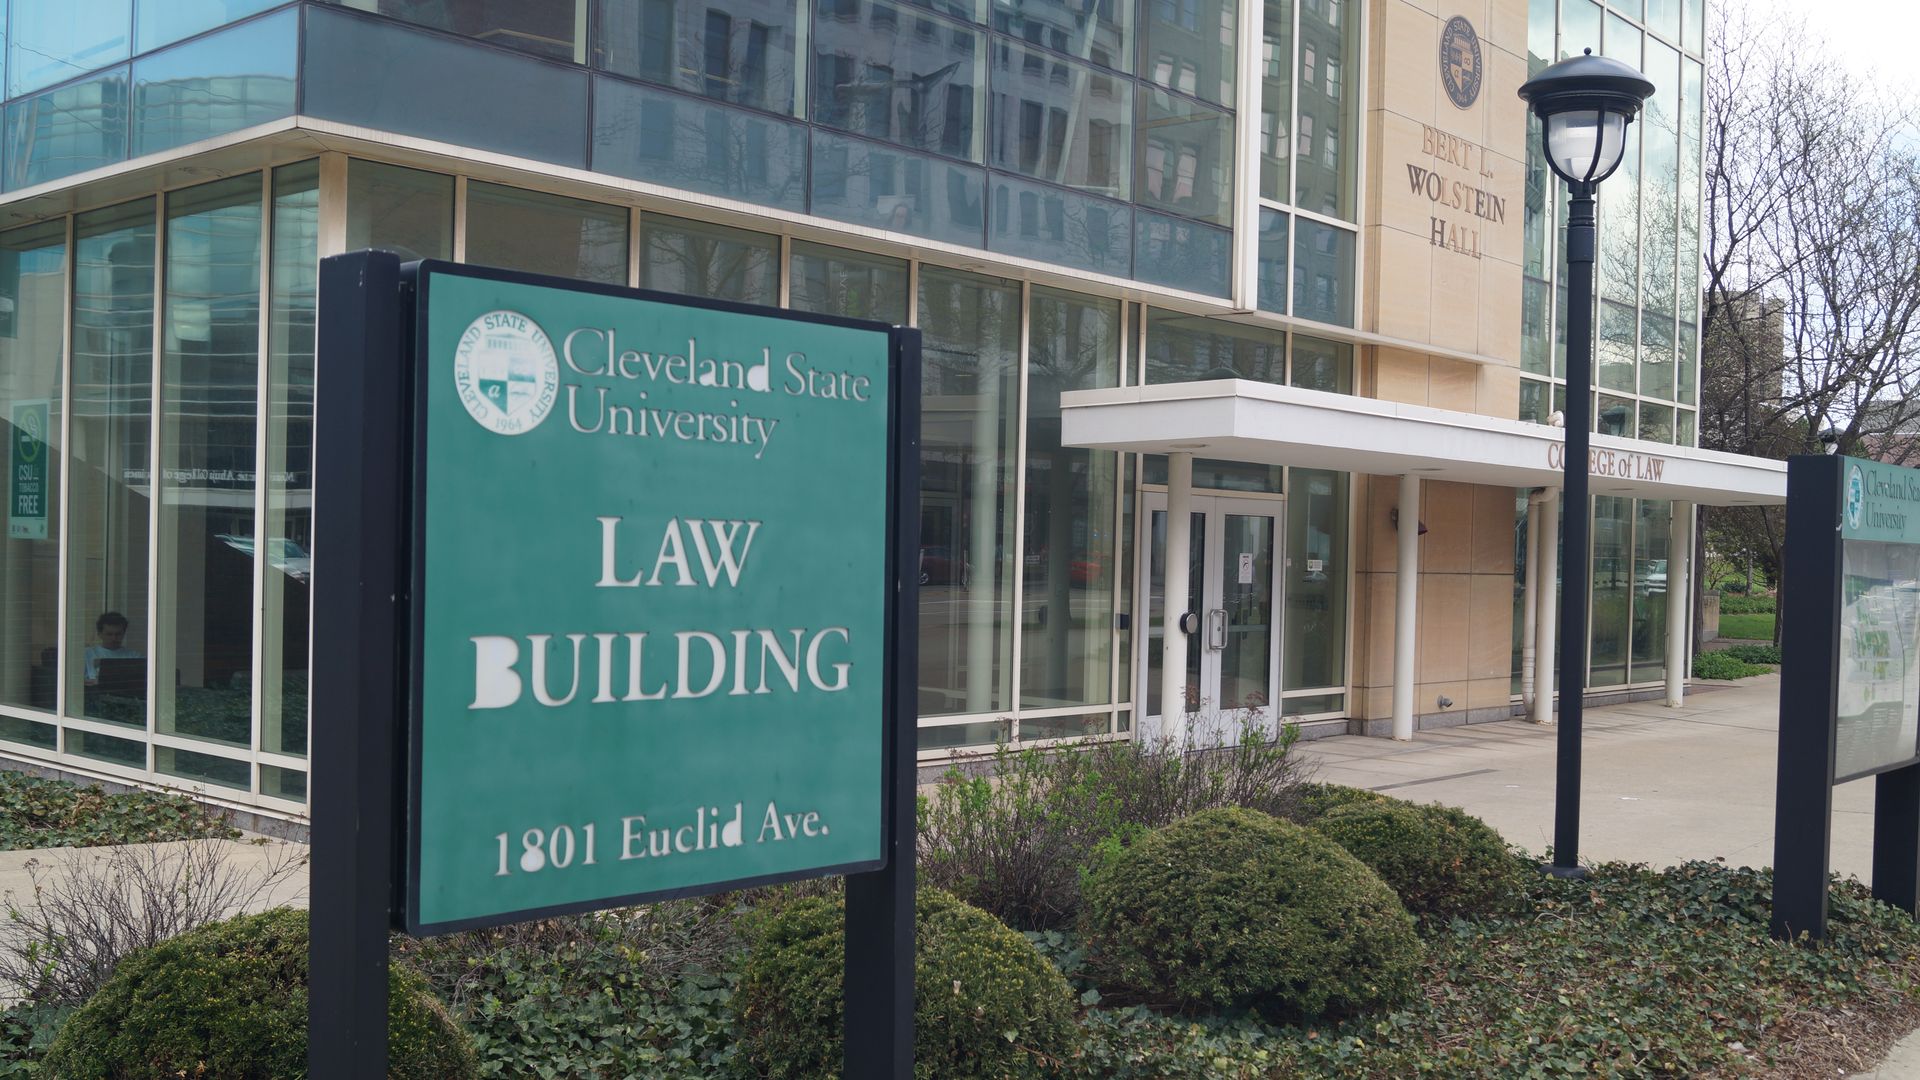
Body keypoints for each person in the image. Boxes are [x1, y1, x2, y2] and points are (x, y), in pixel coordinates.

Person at [84, 612, 140, 685]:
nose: (114, 638)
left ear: (124, 634)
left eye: (118, 634)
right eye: (109, 634)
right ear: (99, 634)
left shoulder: (134, 657)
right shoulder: (87, 654)